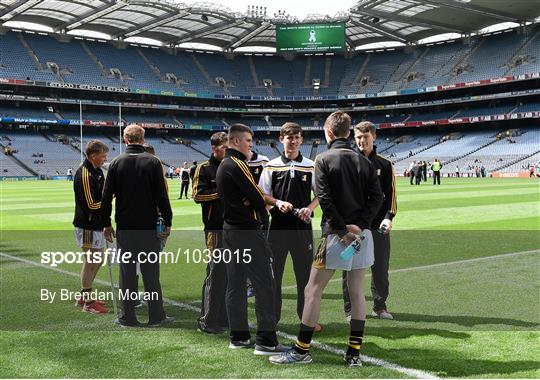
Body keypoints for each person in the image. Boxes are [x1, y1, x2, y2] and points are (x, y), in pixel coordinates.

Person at [270, 111, 383, 366]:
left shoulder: (323, 159)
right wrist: (360, 226)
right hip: (361, 237)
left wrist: (342, 231)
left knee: (312, 290)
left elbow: (326, 200)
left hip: (336, 237)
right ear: (347, 131)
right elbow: (378, 199)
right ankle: (354, 354)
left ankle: (301, 350)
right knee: (356, 292)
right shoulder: (364, 160)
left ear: (329, 133)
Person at [216, 123, 287, 355]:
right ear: (235, 141)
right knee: (264, 284)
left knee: (235, 284)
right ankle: (266, 341)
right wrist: (259, 200)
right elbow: (258, 197)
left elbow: (252, 197)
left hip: (230, 232)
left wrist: (252, 199)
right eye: (248, 140)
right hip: (247, 232)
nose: (251, 145)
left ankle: (238, 336)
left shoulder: (225, 164)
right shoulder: (237, 163)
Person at [102, 124, 173, 327]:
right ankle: (156, 315)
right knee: (151, 272)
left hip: (125, 227)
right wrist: (167, 222)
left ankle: (128, 316)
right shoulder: (153, 162)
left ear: (125, 139)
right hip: (148, 227)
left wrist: (106, 223)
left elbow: (106, 198)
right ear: (143, 140)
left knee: (127, 272)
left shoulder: (116, 163)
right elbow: (162, 196)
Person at [258, 122, 320, 330]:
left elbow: (320, 193)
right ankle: (271, 319)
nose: (292, 141)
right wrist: (277, 202)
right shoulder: (271, 165)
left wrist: (310, 208)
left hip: (302, 228)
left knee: (305, 277)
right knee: (273, 275)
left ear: (301, 140)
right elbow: (263, 195)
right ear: (281, 139)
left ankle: (306, 319)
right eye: (288, 137)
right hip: (277, 228)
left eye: (296, 137)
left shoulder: (311, 165)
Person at [342, 121, 397, 320]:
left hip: (378, 227)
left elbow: (391, 196)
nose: (361, 141)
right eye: (358, 137)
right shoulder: (347, 162)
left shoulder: (384, 164)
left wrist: (388, 218)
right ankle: (350, 310)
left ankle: (379, 306)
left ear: (374, 137)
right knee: (349, 268)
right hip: (354, 228)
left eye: (365, 137)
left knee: (380, 268)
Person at [192, 132, 229, 334]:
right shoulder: (204, 168)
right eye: (224, 147)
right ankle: (206, 320)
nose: (227, 150)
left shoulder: (232, 165)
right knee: (215, 273)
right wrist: (222, 193)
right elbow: (197, 195)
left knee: (229, 274)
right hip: (214, 229)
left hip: (232, 228)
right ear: (214, 148)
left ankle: (223, 316)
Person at [72, 140, 109, 314]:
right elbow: (91, 204)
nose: (105, 158)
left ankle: (85, 294)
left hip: (96, 224)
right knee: (91, 261)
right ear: (93, 156)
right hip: (87, 225)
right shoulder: (85, 174)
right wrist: (109, 200)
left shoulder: (97, 171)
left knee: (98, 260)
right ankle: (87, 301)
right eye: (103, 155)